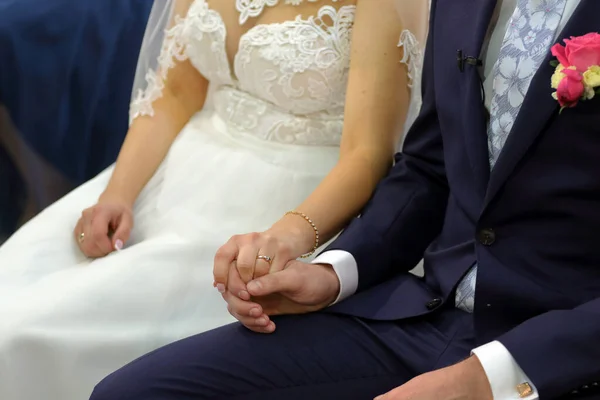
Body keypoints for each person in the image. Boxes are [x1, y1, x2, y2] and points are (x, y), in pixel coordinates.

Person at [89, 0, 600, 399]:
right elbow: (429, 168)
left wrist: (495, 376)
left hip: (564, 350)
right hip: (426, 317)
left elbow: (369, 151)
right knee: (131, 392)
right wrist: (333, 273)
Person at [0, 0, 428, 399]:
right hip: (177, 172)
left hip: (285, 203)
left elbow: (368, 154)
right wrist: (118, 194)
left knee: (27, 331)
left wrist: (285, 235)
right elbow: (175, 94)